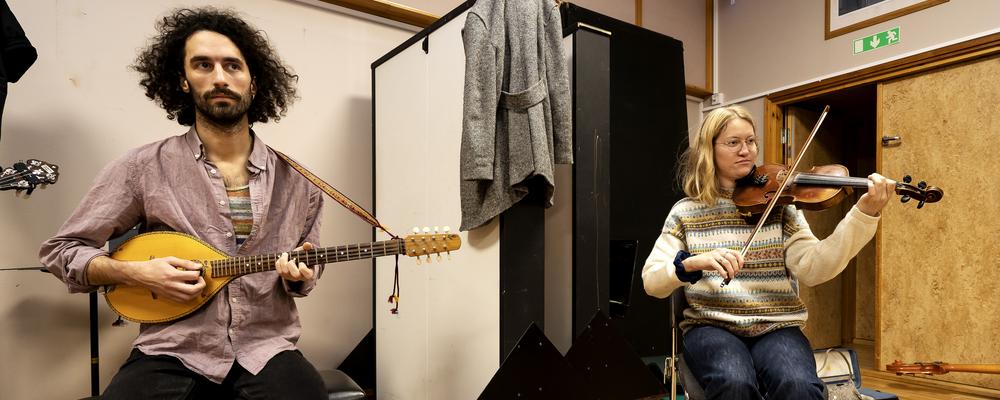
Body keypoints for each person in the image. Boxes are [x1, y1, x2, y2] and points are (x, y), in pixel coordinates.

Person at [38, 8, 327, 399]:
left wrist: (301, 276)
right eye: (203, 65)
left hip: (266, 348)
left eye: (233, 66)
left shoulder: (302, 182)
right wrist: (138, 274)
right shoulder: (141, 167)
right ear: (183, 81)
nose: (220, 77)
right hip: (173, 348)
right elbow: (60, 251)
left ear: (254, 83)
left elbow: (307, 272)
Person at [641, 105, 895, 400]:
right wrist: (692, 264)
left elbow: (816, 268)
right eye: (733, 142)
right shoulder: (686, 213)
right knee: (733, 383)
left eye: (750, 141)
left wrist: (863, 214)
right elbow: (652, 281)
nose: (745, 150)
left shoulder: (780, 206)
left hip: (776, 325)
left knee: (799, 386)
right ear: (709, 150)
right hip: (711, 326)